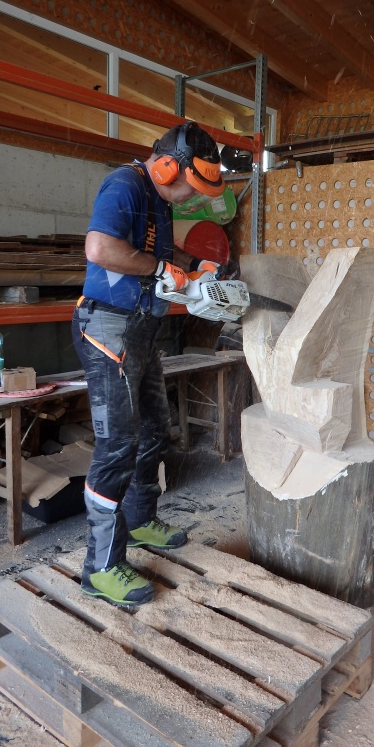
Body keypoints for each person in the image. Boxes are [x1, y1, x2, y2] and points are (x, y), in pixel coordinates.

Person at [72, 121, 237, 607]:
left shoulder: (160, 203)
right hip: (108, 327)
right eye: (193, 185)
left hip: (141, 329)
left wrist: (195, 266)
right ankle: (101, 567)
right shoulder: (124, 185)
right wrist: (164, 268)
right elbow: (101, 248)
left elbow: (156, 255)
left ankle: (141, 520)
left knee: (154, 431)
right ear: (168, 167)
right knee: (117, 445)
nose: (194, 196)